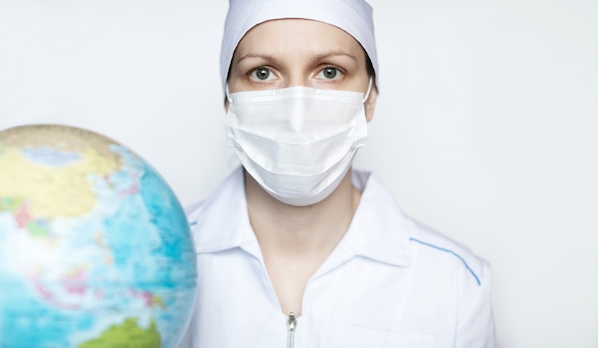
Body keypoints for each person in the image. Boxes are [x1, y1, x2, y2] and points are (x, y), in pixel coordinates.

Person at [180, 0, 496, 346]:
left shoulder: (453, 284)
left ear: (369, 97)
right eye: (262, 72)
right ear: (229, 99)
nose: (296, 112)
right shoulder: (150, 262)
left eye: (330, 71)